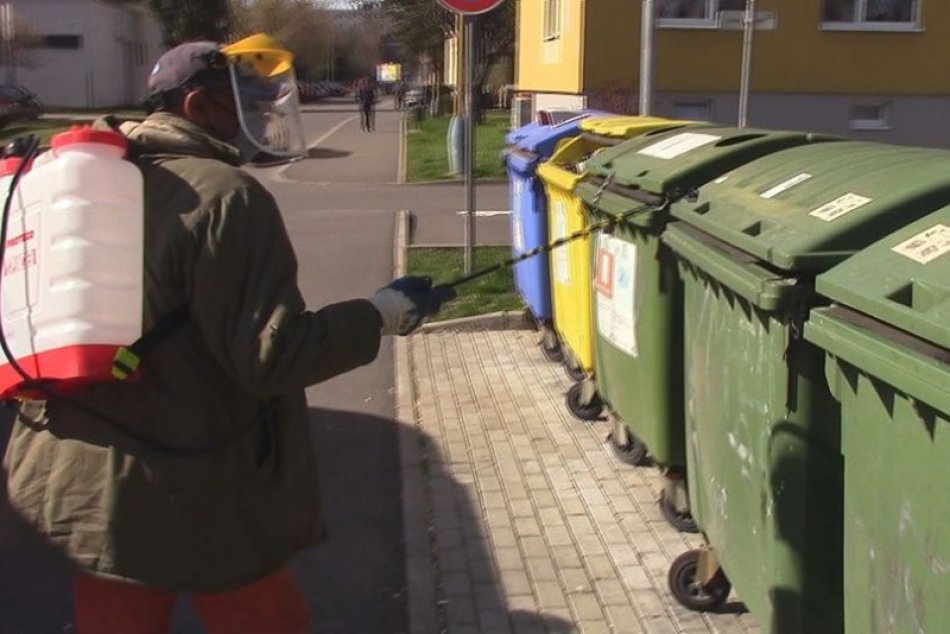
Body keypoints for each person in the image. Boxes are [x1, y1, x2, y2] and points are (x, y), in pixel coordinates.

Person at [1, 35, 453, 633]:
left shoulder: (68, 184)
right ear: (195, 106)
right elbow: (273, 357)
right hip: (192, 481)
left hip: (76, 475)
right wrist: (381, 312)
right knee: (266, 619)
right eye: (242, 100)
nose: (260, 114)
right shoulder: (224, 196)